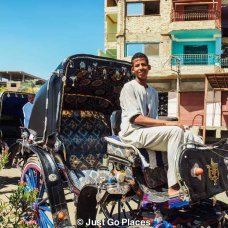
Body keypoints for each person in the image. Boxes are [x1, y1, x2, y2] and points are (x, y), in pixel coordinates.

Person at [119, 52, 201, 199]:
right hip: (133, 133)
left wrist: (173, 125)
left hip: (147, 133)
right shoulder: (128, 88)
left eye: (143, 64)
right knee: (175, 132)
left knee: (189, 136)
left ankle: (191, 178)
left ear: (149, 67)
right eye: (137, 65)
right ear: (132, 70)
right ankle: (173, 186)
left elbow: (153, 119)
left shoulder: (153, 92)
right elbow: (136, 118)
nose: (140, 68)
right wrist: (169, 123)